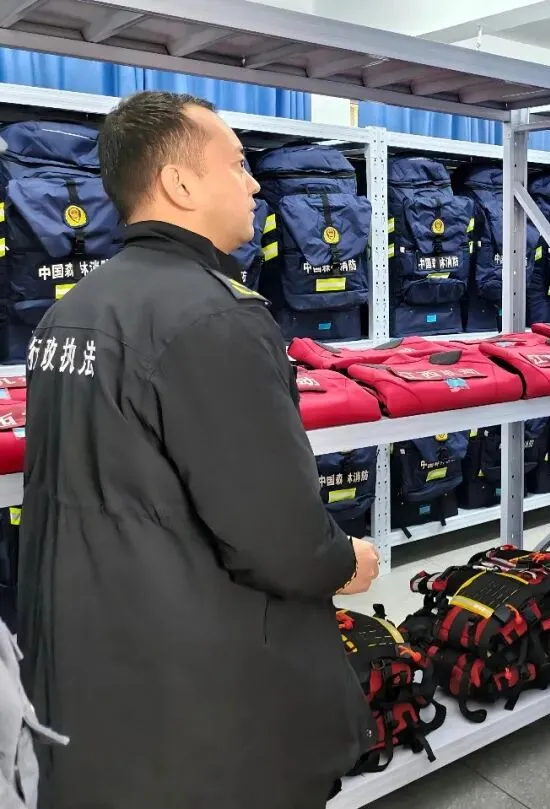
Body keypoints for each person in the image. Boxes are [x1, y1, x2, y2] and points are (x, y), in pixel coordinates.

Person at [17, 91, 380, 808]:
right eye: (238, 165)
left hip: (91, 677)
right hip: (204, 701)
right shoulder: (214, 316)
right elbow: (277, 537)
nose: (255, 185)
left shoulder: (70, 313)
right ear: (179, 183)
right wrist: (345, 561)